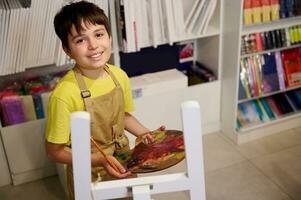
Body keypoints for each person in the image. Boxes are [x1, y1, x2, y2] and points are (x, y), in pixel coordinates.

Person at [45, 1, 164, 199]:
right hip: (89, 172)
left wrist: (145, 134)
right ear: (67, 49)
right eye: (81, 40)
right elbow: (54, 151)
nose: (93, 46)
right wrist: (99, 160)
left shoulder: (119, 75)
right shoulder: (64, 95)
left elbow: (123, 116)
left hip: (124, 160)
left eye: (99, 35)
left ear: (109, 37)